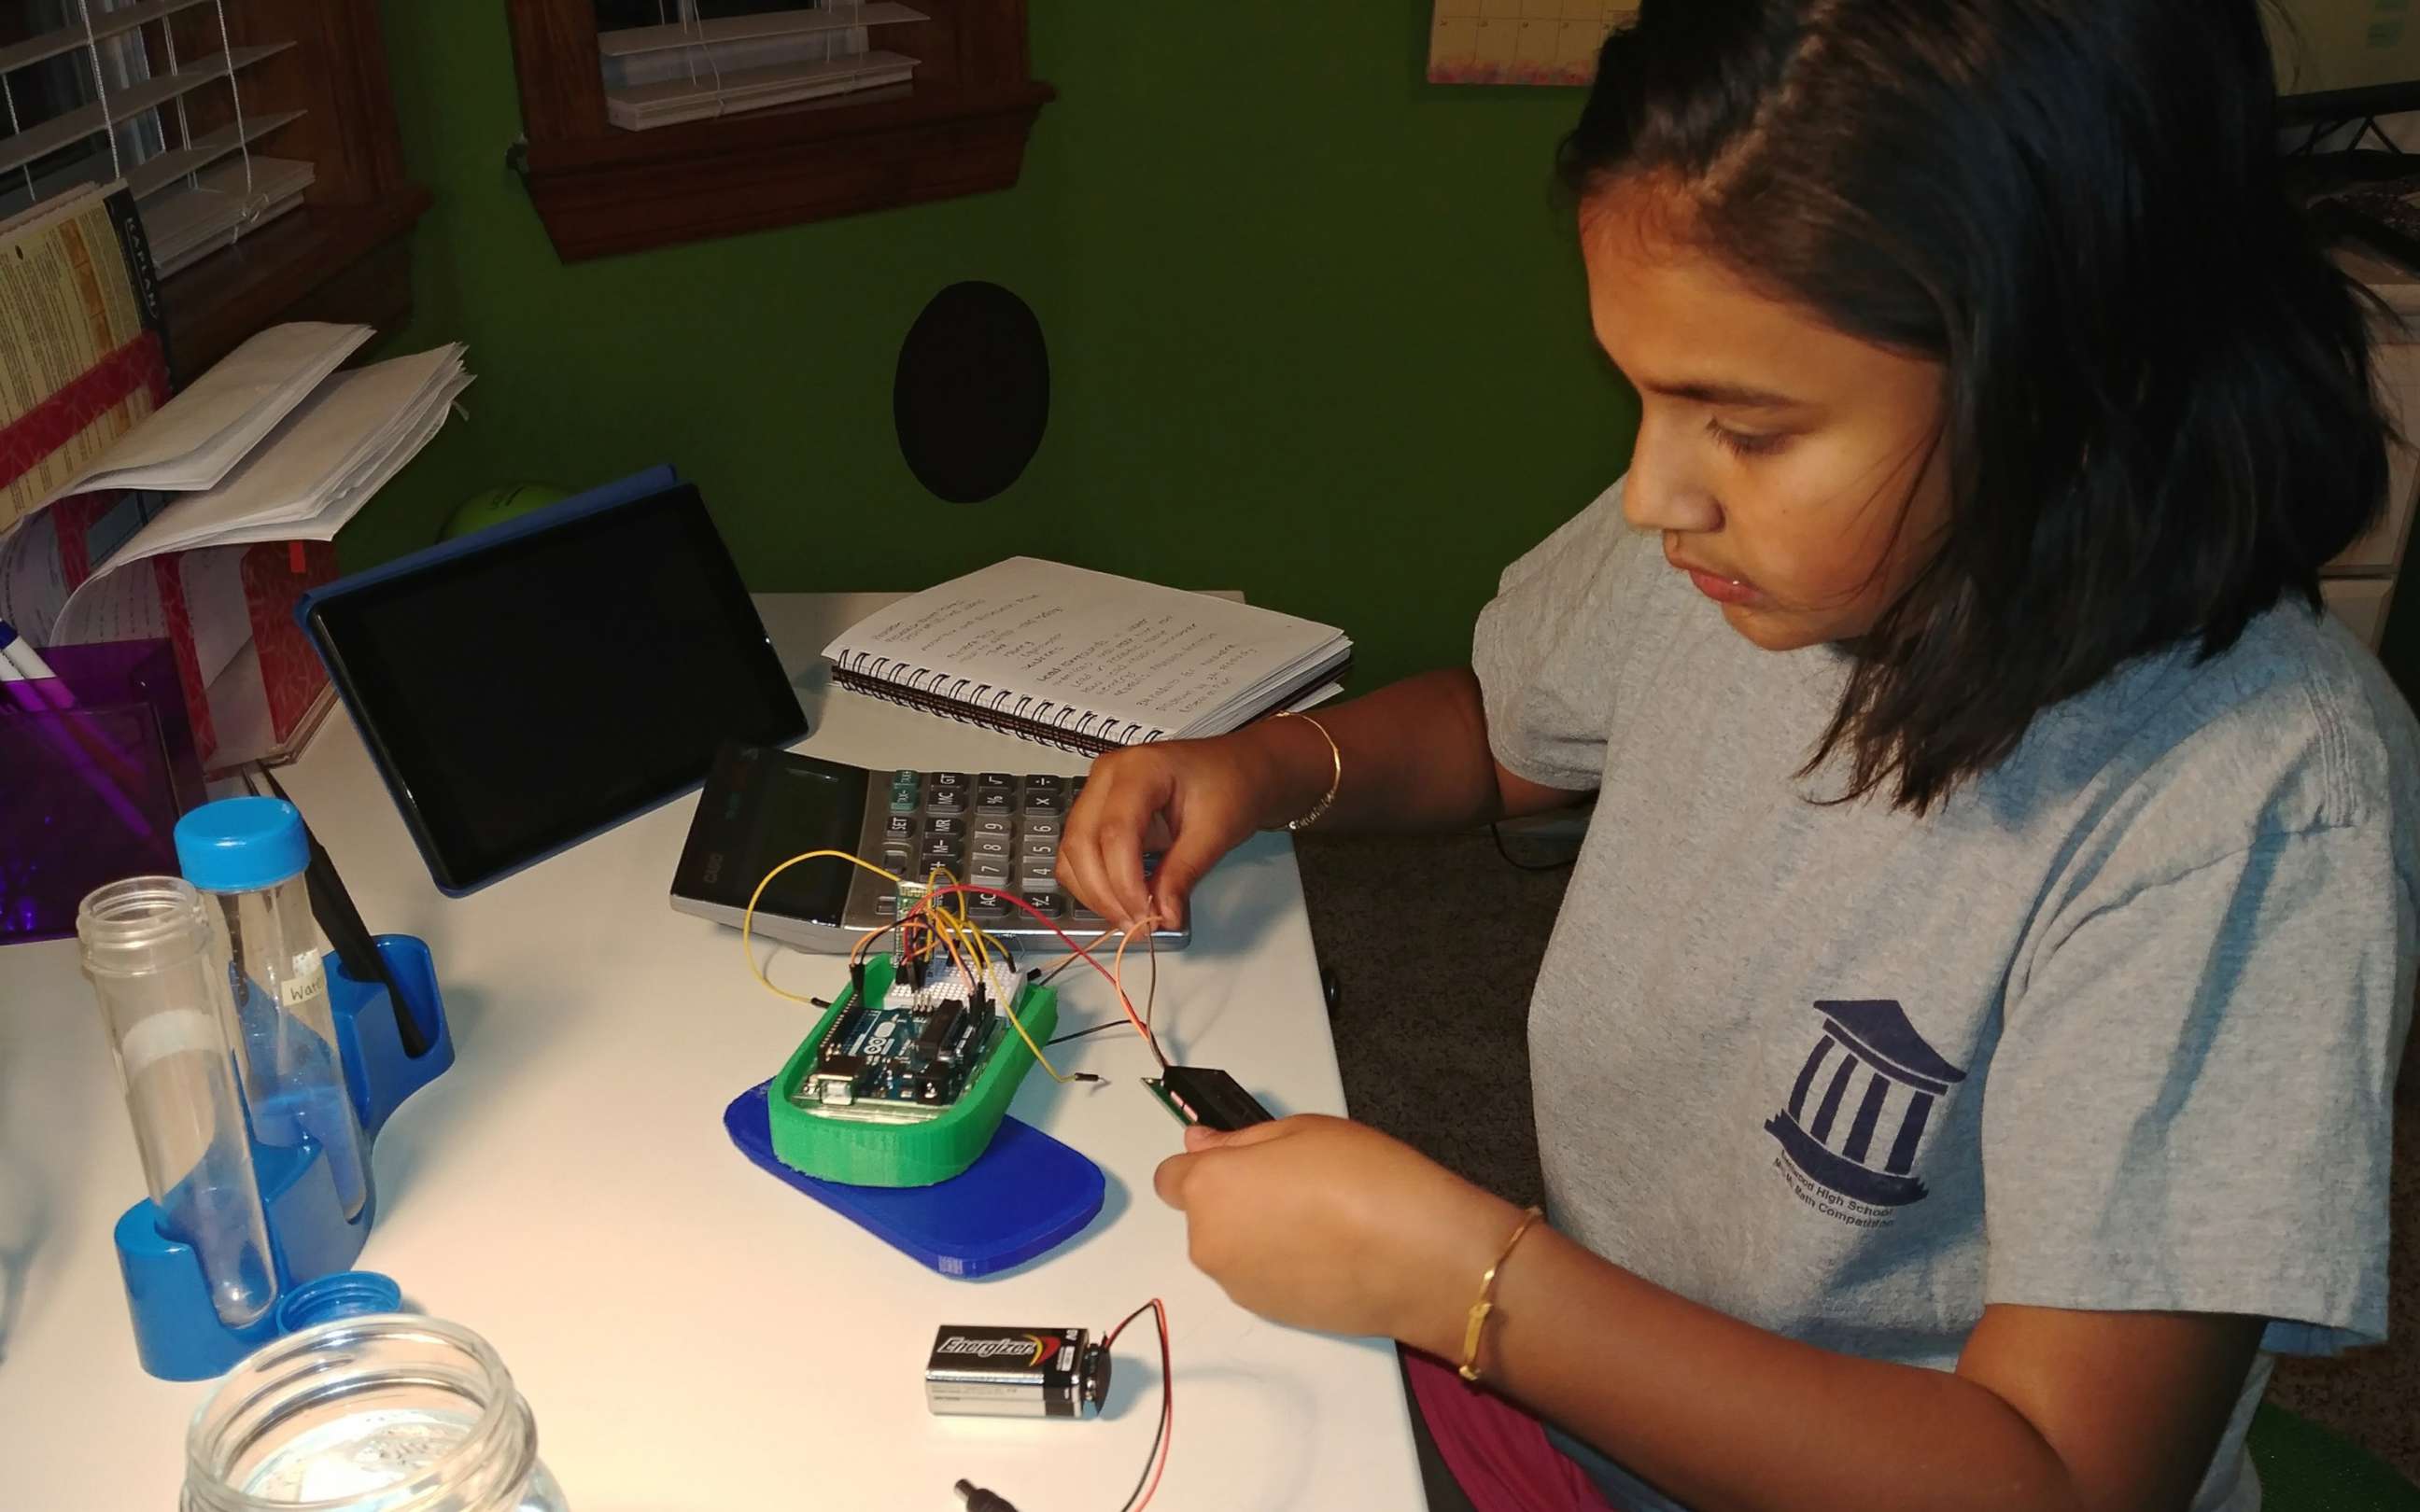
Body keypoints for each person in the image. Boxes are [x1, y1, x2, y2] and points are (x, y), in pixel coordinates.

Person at [1056, 3, 2420, 1509]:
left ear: (2060, 381)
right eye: (1644, 396)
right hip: (1563, 1384)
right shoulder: (1754, 557)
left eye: (1746, 428)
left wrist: (1473, 1287)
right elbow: (1501, 730)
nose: (1653, 494)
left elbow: (2058, 1480)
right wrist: (1274, 769)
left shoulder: (2255, 808)